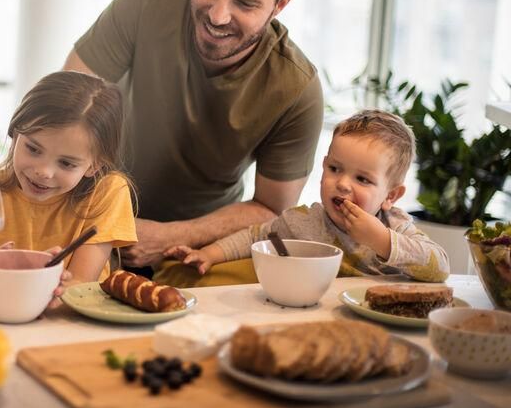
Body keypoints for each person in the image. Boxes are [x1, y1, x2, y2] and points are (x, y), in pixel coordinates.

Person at [63, 0, 323, 283]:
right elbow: (66, 104)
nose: (217, 16)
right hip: (92, 217)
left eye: (245, 3)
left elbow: (272, 208)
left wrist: (170, 236)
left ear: (280, 4)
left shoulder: (296, 89)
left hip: (198, 248)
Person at [166, 110, 450, 282]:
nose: (343, 184)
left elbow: (440, 267)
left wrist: (381, 240)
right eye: (335, 169)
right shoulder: (302, 222)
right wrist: (209, 254)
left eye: (362, 179)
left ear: (391, 196)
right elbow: (255, 236)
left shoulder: (394, 226)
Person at [0, 71, 138, 314]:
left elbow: (78, 285)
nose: (43, 172)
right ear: (15, 134)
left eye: (66, 164)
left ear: (94, 165)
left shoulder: (108, 192)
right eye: (33, 149)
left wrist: (59, 285)